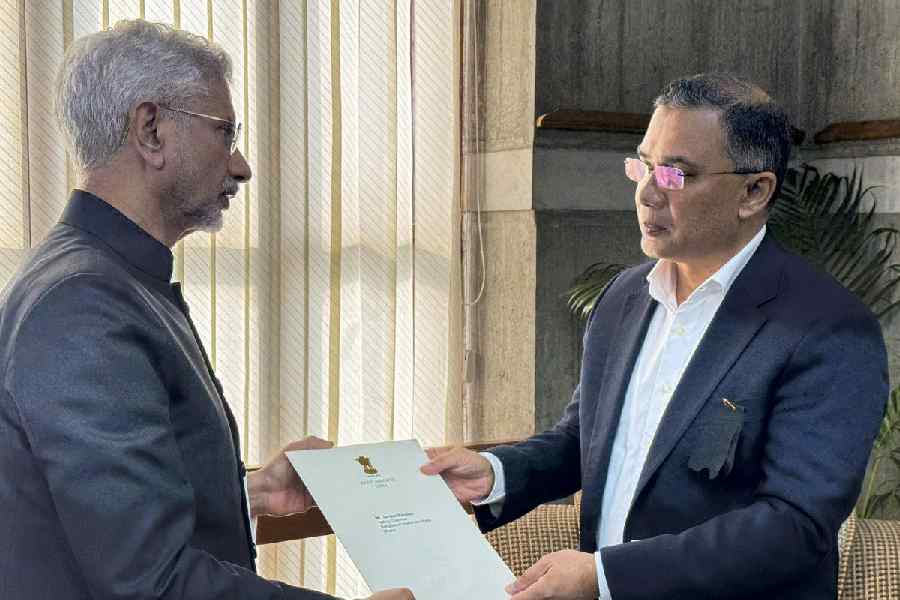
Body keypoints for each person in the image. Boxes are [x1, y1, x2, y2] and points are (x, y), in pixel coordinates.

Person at [423, 73, 888, 599]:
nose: (646, 193)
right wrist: (496, 473)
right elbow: (589, 440)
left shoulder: (829, 329)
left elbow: (793, 526)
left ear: (754, 192)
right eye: (643, 165)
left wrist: (605, 576)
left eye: (675, 175)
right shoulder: (624, 297)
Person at [0, 19, 411, 600]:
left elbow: (107, 512)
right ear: (152, 130)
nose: (240, 164)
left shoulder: (109, 277)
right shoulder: (84, 304)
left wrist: (250, 493)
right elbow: (152, 582)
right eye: (226, 132)